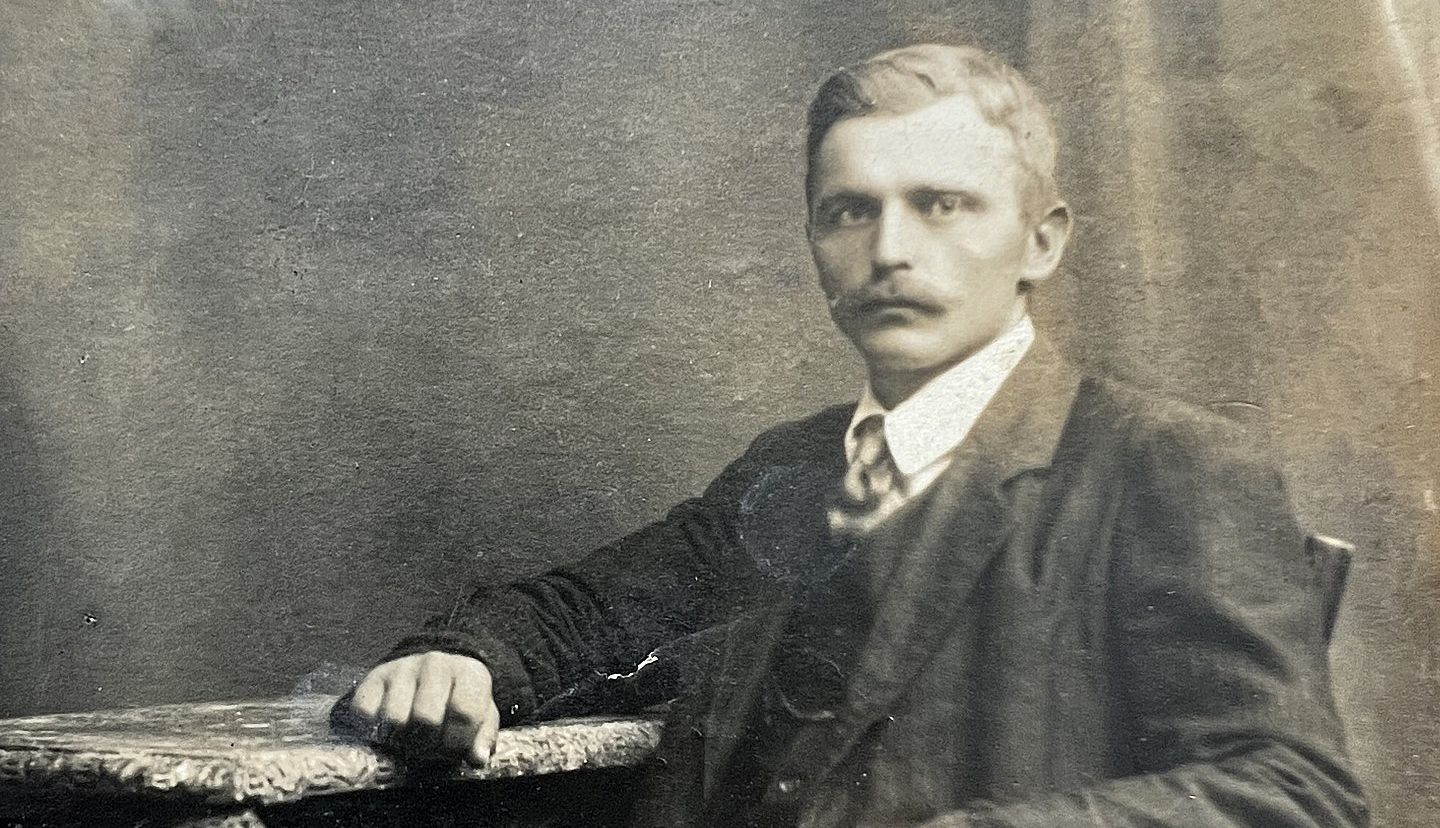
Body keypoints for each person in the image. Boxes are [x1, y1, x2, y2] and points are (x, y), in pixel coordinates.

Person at [335, 44, 1367, 826]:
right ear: (814, 243)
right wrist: (464, 660)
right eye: (848, 212)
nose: (890, 251)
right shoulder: (795, 468)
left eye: (942, 205)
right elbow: (589, 609)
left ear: (1041, 241)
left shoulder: (1163, 464)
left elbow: (1294, 789)